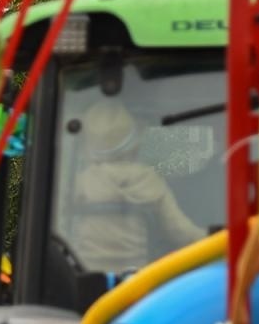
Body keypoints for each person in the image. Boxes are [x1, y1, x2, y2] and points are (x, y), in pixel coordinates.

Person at [65, 98, 204, 275]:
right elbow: (181, 233)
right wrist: (217, 238)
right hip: (135, 283)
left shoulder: (78, 184)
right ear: (133, 146)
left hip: (85, 278)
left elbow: (61, 227)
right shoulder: (149, 180)